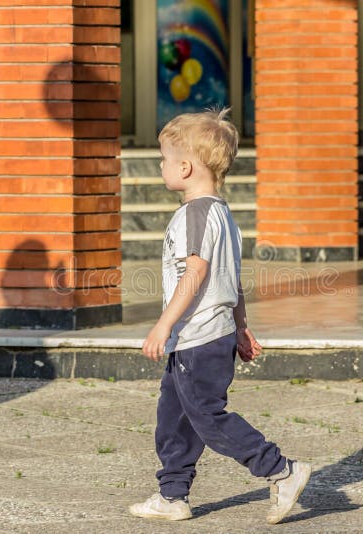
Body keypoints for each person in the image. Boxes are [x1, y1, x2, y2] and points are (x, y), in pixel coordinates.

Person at [129, 109, 311, 524]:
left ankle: (281, 470)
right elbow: (233, 279)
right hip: (206, 335)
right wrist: (242, 326)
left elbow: (196, 274)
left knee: (207, 417)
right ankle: (172, 496)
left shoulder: (195, 214)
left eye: (163, 158)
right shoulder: (223, 215)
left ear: (186, 166)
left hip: (197, 337)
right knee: (173, 417)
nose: (161, 166)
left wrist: (163, 324)